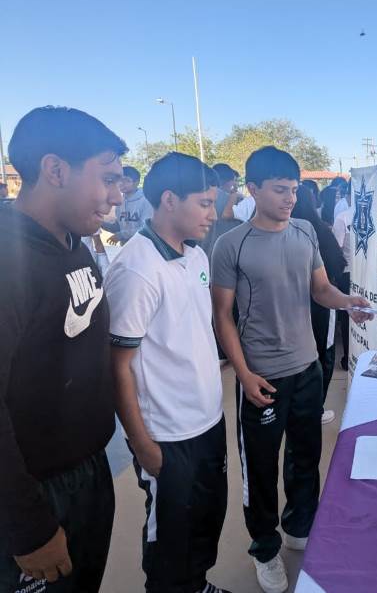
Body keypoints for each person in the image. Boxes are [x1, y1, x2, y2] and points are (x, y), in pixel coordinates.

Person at [211, 146, 371, 593]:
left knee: (306, 457)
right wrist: (243, 374)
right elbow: (222, 315)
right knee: (260, 471)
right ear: (253, 190)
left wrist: (347, 302)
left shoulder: (304, 231)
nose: (289, 198)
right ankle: (265, 549)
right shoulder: (231, 244)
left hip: (307, 372)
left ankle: (300, 525)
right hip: (261, 376)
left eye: (294, 189)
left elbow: (320, 290)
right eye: (280, 190)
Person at [0, 106, 126, 592]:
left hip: (88, 473)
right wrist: (27, 525)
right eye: (108, 178)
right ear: (55, 170)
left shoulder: (74, 242)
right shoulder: (11, 262)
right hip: (35, 492)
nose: (118, 196)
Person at [105, 152, 229, 593]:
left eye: (215, 203)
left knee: (207, 518)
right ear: (170, 200)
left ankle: (197, 584)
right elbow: (117, 366)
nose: (214, 214)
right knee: (169, 537)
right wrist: (141, 444)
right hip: (166, 434)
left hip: (207, 419)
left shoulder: (196, 256)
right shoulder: (137, 269)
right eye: (205, 203)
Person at [292, 183, 347, 425]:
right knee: (322, 353)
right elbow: (337, 263)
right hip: (319, 308)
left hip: (293, 310)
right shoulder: (317, 230)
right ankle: (316, 408)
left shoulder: (294, 231)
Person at [333, 182, 354, 370]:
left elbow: (336, 250)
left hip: (348, 273)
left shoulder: (342, 218)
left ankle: (349, 357)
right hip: (373, 274)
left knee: (349, 317)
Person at [102, 165, 153, 244]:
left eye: (127, 180)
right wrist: (100, 223)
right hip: (126, 247)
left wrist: (120, 235)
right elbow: (119, 227)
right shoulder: (120, 203)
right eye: (120, 180)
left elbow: (146, 229)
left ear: (137, 182)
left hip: (144, 247)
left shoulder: (145, 201)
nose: (122, 184)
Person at [200, 162, 241, 256]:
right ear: (231, 182)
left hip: (198, 261)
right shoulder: (239, 201)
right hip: (227, 261)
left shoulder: (196, 198)